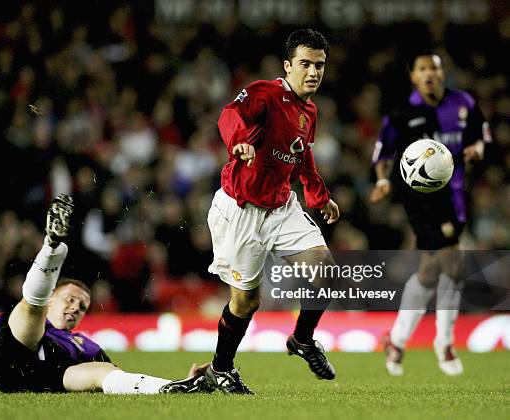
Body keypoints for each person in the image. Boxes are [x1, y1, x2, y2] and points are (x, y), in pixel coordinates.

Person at [0, 194, 213, 395]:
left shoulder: (85, 344)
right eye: (70, 300)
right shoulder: (13, 322)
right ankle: (51, 249)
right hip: (13, 364)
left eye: (82, 307)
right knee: (29, 311)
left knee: (102, 372)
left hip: (50, 380)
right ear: (54, 297)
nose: (76, 309)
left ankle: (175, 389)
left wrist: (173, 380)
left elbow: (118, 376)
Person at [203, 28, 340, 394]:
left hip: (282, 207)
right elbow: (230, 115)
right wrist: (239, 144)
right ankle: (221, 368)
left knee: (324, 272)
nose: (313, 73)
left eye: (320, 66)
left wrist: (318, 195)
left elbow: (302, 154)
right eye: (306, 64)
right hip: (242, 210)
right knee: (246, 302)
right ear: (288, 65)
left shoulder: (309, 109)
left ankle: (303, 340)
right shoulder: (265, 93)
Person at [370, 51, 491, 376]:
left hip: (456, 196)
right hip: (421, 198)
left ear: (442, 73)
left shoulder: (463, 103)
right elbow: (382, 151)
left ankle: (395, 340)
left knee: (429, 270)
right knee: (454, 262)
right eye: (422, 69)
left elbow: (482, 135)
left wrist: (477, 149)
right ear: (414, 76)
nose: (429, 75)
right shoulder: (402, 114)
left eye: (434, 69)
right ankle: (445, 343)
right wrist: (382, 180)